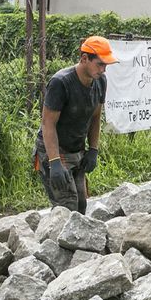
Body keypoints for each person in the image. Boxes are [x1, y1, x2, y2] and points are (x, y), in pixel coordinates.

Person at [34, 36, 117, 214]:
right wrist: (54, 162)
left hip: (76, 149)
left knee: (80, 204)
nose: (103, 70)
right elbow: (48, 124)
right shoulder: (61, 83)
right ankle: (54, 241)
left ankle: (74, 240)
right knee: (66, 206)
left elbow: (95, 117)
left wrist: (93, 149)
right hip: (55, 149)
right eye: (100, 64)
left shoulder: (100, 81)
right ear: (84, 58)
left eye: (106, 66)